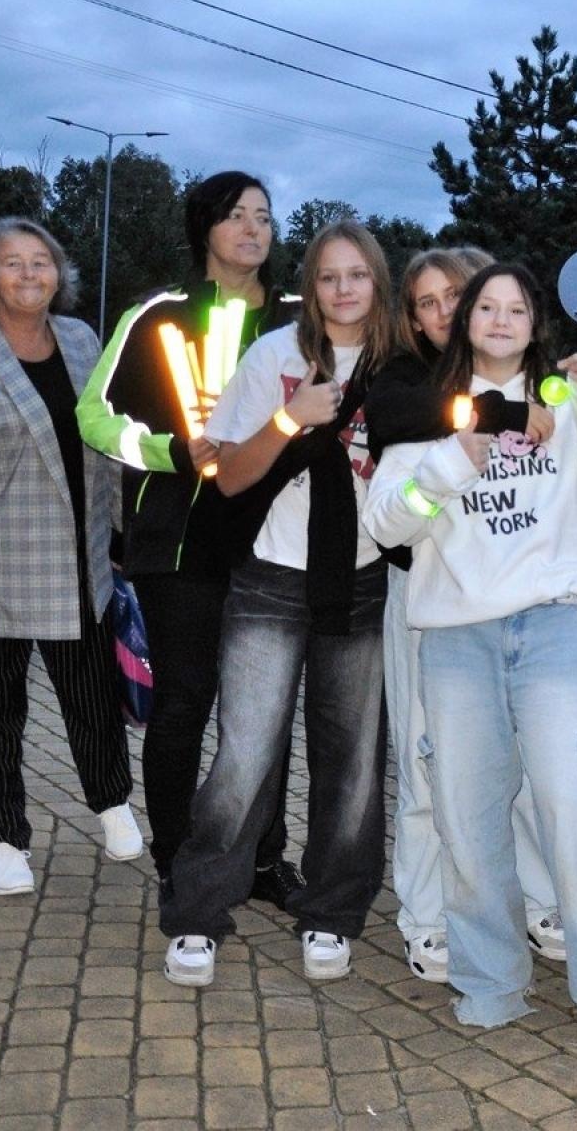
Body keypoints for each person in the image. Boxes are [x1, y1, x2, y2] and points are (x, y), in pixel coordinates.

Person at [363, 263, 577, 1050]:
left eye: (514, 307)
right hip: (456, 638)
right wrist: (454, 460)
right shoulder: (433, 410)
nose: (498, 318)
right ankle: (490, 986)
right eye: (484, 306)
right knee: (466, 816)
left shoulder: (565, 401)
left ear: (534, 322)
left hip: (553, 627)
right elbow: (387, 525)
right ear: (464, 322)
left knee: (570, 810)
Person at [159, 220, 392, 987]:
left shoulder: (402, 365)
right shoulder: (274, 356)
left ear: (377, 282)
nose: (343, 289)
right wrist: (293, 418)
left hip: (361, 579)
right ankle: (197, 912)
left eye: (357, 274)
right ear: (310, 285)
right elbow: (226, 477)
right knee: (247, 752)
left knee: (351, 761)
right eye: (329, 276)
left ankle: (332, 910)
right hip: (270, 576)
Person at [77, 170, 303, 907]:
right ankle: (178, 859)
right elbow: (94, 416)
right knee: (184, 702)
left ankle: (263, 858)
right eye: (237, 215)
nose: (253, 230)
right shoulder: (157, 315)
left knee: (264, 709)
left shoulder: (301, 318)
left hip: (279, 537)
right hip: (178, 540)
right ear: (204, 227)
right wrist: (171, 451)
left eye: (264, 218)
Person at [0, 217, 139, 896]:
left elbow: (107, 446)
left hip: (82, 564)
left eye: (41, 262)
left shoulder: (81, 341)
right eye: (13, 263)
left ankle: (111, 802)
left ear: (58, 274)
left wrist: (126, 537)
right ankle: (3, 836)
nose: (30, 274)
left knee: (95, 699)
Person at [364, 247, 563, 984]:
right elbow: (395, 425)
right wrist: (510, 412)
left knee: (521, 764)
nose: (444, 311)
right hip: (423, 603)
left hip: (512, 607)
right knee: (424, 763)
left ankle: (542, 905)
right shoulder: (406, 384)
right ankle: (425, 917)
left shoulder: (536, 377)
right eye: (426, 301)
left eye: (458, 295)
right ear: (411, 317)